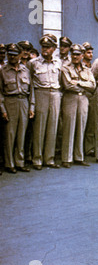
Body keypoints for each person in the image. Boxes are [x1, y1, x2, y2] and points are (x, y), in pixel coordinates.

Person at [28, 34, 62, 170]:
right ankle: (37, 159)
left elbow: (60, 79)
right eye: (43, 47)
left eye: (48, 47)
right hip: (40, 93)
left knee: (52, 127)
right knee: (39, 128)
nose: (45, 49)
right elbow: (30, 84)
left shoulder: (58, 63)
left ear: (54, 48)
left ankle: (49, 158)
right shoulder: (33, 63)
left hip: (54, 94)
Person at [61, 44, 96, 168]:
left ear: (82, 55)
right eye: (73, 54)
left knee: (81, 127)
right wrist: (84, 84)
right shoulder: (65, 68)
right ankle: (67, 157)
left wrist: (79, 82)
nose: (75, 57)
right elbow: (68, 85)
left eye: (77, 54)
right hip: (70, 97)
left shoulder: (87, 69)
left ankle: (78, 156)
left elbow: (93, 85)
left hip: (83, 98)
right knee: (69, 127)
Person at [0, 43, 31, 173]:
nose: (12, 57)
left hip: (23, 102)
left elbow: (31, 90)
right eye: (10, 55)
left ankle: (20, 162)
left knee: (21, 134)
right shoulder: (3, 71)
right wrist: (3, 109)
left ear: (20, 55)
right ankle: (9, 163)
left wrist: (31, 107)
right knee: (10, 135)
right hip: (9, 102)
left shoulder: (25, 70)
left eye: (14, 55)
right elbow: (0, 92)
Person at [81, 42, 96, 158]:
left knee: (91, 123)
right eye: (88, 52)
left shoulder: (92, 66)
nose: (90, 55)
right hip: (81, 96)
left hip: (92, 96)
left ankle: (89, 148)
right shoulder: (80, 66)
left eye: (91, 52)